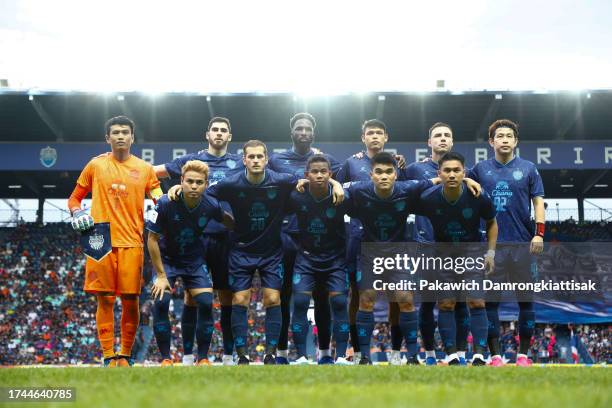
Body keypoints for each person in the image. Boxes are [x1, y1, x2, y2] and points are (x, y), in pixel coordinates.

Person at [205, 140, 344, 364]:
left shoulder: (281, 180)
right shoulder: (232, 184)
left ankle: (270, 354)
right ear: (244, 160)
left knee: (273, 298)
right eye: (251, 157)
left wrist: (336, 185)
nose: (256, 160)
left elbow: (313, 179)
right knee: (240, 299)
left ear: (267, 159)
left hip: (272, 252)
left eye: (260, 156)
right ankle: (242, 356)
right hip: (241, 250)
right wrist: (222, 215)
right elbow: (207, 194)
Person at [345, 152, 480, 365]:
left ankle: (412, 356)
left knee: (406, 300)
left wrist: (467, 179)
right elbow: (331, 183)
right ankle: (363, 357)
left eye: (389, 172)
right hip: (369, 253)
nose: (384, 176)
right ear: (371, 175)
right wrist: (334, 185)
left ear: (396, 174)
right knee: (366, 300)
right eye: (378, 172)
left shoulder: (407, 188)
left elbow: (438, 179)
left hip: (399, 253)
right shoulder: (359, 189)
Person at [68, 115, 162, 367]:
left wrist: (163, 205)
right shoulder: (95, 166)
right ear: (107, 138)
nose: (120, 136)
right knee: (105, 299)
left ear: (132, 137)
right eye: (116, 132)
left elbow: (159, 198)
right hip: (100, 240)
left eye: (125, 132)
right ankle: (109, 355)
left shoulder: (144, 169)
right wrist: (78, 213)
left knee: (131, 299)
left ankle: (125, 355)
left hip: (132, 241)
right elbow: (74, 199)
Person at [154, 116, 241, 365]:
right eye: (215, 129)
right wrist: (162, 194)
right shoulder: (191, 161)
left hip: (225, 239)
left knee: (226, 297)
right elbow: (152, 174)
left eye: (224, 130)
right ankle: (190, 355)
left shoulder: (238, 162)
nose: (219, 133)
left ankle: (227, 355)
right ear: (207, 134)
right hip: (197, 240)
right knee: (194, 297)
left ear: (229, 136)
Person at [468, 119, 545, 367]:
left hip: (523, 245)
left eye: (509, 136)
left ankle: (523, 355)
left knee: (526, 301)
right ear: (491, 142)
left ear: (515, 141)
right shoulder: (479, 169)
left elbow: (538, 203)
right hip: (491, 247)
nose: (504, 139)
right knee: (491, 301)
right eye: (499, 136)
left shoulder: (529, 168)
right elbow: (464, 192)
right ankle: (495, 356)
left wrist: (539, 233)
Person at [268, 113, 341, 364]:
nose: (303, 132)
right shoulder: (276, 161)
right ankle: (281, 353)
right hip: (287, 237)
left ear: (313, 132)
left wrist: (335, 182)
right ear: (292, 132)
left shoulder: (326, 160)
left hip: (318, 239)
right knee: (285, 295)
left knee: (321, 298)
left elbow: (346, 182)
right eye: (299, 128)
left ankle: (324, 353)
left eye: (308, 128)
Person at [414, 151, 497, 366]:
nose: (452, 174)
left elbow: (491, 223)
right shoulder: (428, 198)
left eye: (457, 170)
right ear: (439, 173)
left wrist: (490, 252)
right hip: (443, 254)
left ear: (464, 172)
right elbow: (405, 198)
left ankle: (479, 354)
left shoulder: (478, 195)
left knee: (477, 302)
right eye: (447, 170)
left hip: (471, 252)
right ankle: (450, 355)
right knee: (446, 304)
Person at [336, 119, 407, 364]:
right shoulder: (351, 163)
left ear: (386, 136)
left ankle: (397, 352)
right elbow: (337, 190)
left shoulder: (397, 163)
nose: (374, 136)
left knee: (397, 297)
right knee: (358, 296)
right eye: (370, 133)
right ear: (363, 138)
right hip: (359, 237)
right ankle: (357, 352)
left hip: (393, 239)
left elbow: (407, 193)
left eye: (379, 132)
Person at [405, 122, 470, 365]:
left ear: (452, 142)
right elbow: (397, 189)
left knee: (460, 300)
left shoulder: (464, 171)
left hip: (457, 247)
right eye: (438, 136)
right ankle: (430, 353)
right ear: (429, 142)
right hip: (426, 245)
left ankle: (460, 353)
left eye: (447, 135)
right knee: (428, 301)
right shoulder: (414, 169)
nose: (442, 139)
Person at [286, 154, 351, 365]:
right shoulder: (297, 196)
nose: (319, 175)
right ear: (306, 175)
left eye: (324, 171)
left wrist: (337, 184)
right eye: (314, 172)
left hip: (335, 259)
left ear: (330, 174)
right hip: (306, 258)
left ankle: (340, 356)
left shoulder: (341, 196)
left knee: (340, 302)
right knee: (301, 302)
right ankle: (302, 356)